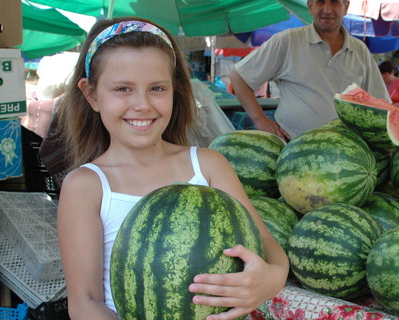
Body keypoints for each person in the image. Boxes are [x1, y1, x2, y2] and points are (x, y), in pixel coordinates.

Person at [55, 17, 289, 320]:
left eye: (157, 88)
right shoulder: (86, 186)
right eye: (123, 89)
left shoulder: (207, 165)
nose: (142, 104)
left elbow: (269, 247)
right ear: (91, 95)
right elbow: (85, 303)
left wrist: (270, 280)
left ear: (174, 91)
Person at [229, 0, 390, 141]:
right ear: (310, 6)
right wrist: (260, 119)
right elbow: (239, 76)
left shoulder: (360, 51)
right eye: (320, 2)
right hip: (291, 147)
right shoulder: (287, 41)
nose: (327, 9)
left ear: (346, 7)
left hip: (345, 155)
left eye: (334, 2)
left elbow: (380, 104)